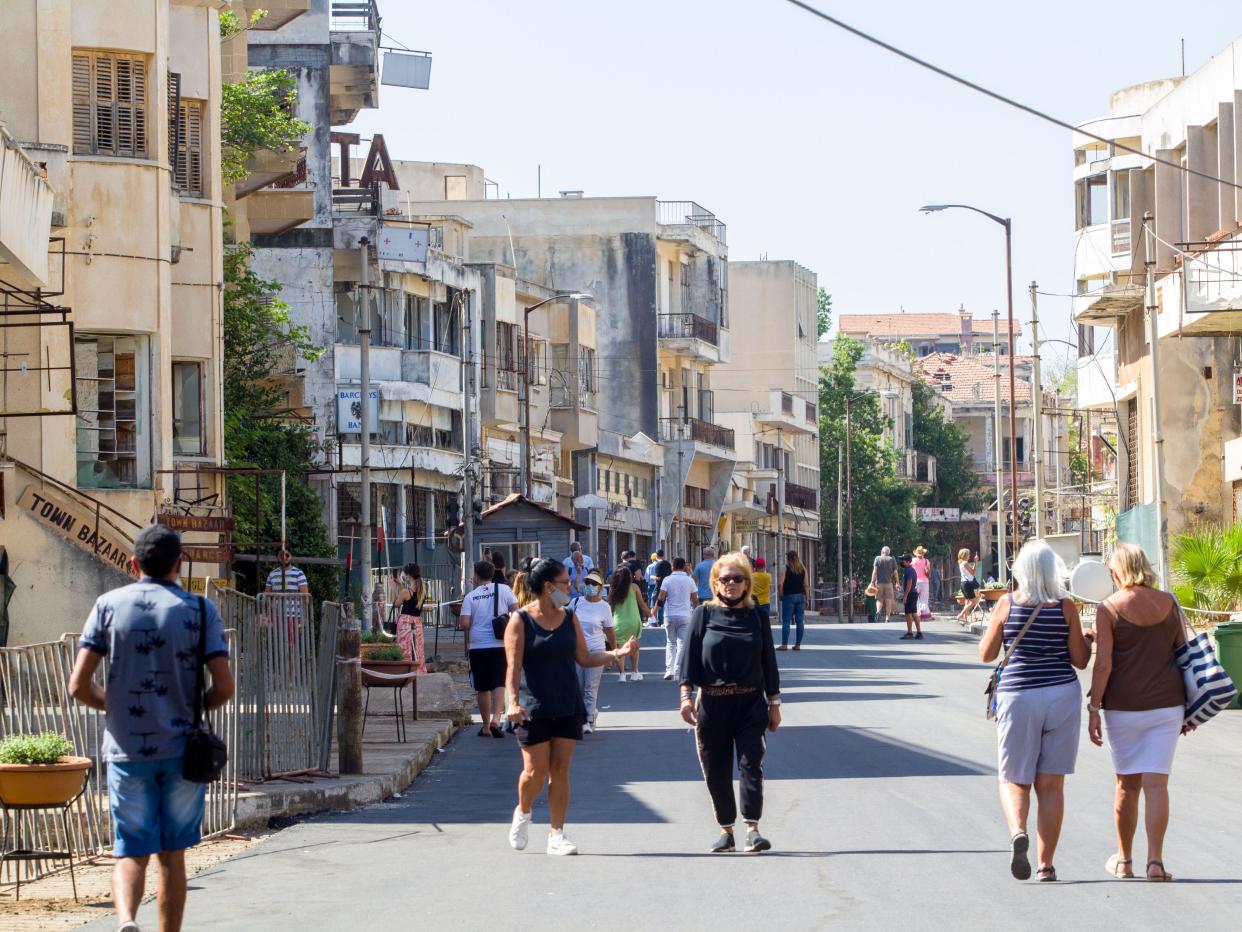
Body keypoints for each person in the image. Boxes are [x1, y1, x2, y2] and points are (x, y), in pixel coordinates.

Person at [68, 525, 235, 932]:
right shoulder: (199, 610)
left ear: (133, 563)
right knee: (172, 855)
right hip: (182, 751)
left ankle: (126, 919)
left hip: (127, 749)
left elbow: (77, 685)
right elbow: (225, 686)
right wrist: (194, 708)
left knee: (130, 850)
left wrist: (116, 706)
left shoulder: (108, 605)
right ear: (179, 564)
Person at [504, 558, 637, 855]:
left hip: (566, 702)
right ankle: (523, 813)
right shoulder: (520, 621)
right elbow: (512, 668)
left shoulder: (569, 617)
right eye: (566, 582)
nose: (571, 587)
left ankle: (557, 835)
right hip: (532, 706)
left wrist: (617, 652)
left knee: (560, 770)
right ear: (549, 587)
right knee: (534, 773)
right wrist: (511, 702)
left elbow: (586, 658)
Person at [978, 540, 1089, 883]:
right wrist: (1086, 637)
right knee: (1051, 786)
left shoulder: (1008, 604)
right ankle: (1046, 865)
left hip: (1019, 695)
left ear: (1021, 570)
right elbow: (1081, 661)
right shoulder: (1065, 607)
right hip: (1062, 695)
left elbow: (986, 654)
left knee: (1014, 778)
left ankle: (1017, 834)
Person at [1087, 543, 1192, 882]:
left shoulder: (1109, 608)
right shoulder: (1170, 603)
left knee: (1126, 785)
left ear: (1118, 572)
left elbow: (1103, 664)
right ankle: (1156, 862)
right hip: (1168, 705)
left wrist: (1093, 707)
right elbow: (1184, 654)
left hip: (1123, 708)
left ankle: (1124, 860)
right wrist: (1190, 708)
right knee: (1158, 785)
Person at [679, 552, 781, 854]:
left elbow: (769, 662)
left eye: (738, 579)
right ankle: (726, 830)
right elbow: (689, 659)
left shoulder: (757, 616)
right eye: (726, 579)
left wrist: (774, 703)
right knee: (716, 768)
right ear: (715, 582)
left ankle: (752, 829)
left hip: (751, 703)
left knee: (751, 765)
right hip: (712, 704)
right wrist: (685, 696)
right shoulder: (704, 614)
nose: (732, 584)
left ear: (747, 583)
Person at [459, 560, 519, 738]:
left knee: (483, 687)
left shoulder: (471, 596)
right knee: (499, 683)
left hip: (478, 646)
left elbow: (464, 623)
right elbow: (516, 612)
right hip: (500, 644)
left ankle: (485, 727)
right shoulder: (504, 590)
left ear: (476, 576)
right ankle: (496, 719)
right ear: (492, 575)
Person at [571, 568, 615, 734]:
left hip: (596, 650)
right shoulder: (576, 603)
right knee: (579, 687)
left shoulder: (605, 607)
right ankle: (588, 713)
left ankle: (587, 720)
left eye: (593, 583)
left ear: (600, 586)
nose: (589, 585)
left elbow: (609, 631)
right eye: (587, 582)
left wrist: (614, 652)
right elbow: (561, 613)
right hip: (577, 651)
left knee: (590, 687)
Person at [653, 556, 699, 680]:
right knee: (682, 643)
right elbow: (695, 600)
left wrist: (654, 612)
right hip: (685, 615)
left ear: (672, 567)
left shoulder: (667, 580)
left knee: (670, 642)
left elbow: (661, 598)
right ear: (684, 567)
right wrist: (699, 613)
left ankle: (669, 670)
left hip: (669, 615)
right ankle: (678, 671)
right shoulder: (690, 581)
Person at [608, 565, 650, 682]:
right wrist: (650, 614)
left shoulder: (613, 588)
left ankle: (622, 675)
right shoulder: (634, 587)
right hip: (633, 620)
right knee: (634, 646)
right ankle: (634, 672)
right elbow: (642, 604)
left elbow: (610, 607)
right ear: (629, 577)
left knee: (620, 648)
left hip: (618, 621)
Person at [394, 563, 428, 674]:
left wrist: (393, 588)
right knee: (417, 649)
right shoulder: (422, 591)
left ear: (408, 575)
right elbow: (408, 597)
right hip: (417, 623)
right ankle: (418, 671)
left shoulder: (405, 592)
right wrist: (400, 585)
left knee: (404, 648)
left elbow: (396, 604)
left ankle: (404, 672)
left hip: (405, 623)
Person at [777, 550, 807, 651]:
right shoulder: (803, 568)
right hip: (801, 596)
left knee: (786, 621)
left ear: (788, 558)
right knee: (800, 621)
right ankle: (798, 645)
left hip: (789, 597)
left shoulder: (785, 568)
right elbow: (806, 585)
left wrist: (780, 594)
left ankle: (784, 644)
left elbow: (780, 584)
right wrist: (808, 598)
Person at [870, 546, 898, 623]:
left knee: (879, 599)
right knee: (888, 600)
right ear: (888, 552)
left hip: (879, 583)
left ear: (881, 552)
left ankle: (878, 611)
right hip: (888, 583)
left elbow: (874, 571)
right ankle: (887, 618)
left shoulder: (877, 558)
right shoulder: (892, 559)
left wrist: (872, 582)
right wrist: (897, 583)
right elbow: (895, 572)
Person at [897, 554, 922, 640]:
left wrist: (905, 596)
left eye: (903, 561)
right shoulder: (909, 569)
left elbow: (909, 583)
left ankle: (910, 633)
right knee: (913, 613)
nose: (902, 562)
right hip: (913, 593)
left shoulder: (909, 570)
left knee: (908, 614)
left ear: (907, 561)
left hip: (911, 593)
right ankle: (918, 633)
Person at [646, 556, 673, 628]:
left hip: (656, 587)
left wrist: (652, 577)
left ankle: (652, 622)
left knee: (653, 605)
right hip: (668, 588)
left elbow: (657, 578)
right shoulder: (668, 564)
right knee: (661, 605)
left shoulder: (653, 566)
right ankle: (661, 621)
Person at [956, 549, 982, 622]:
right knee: (973, 602)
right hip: (967, 584)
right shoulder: (965, 563)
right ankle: (961, 615)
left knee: (967, 602)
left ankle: (965, 619)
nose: (969, 556)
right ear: (965, 555)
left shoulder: (961, 563)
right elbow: (973, 573)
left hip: (963, 583)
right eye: (968, 554)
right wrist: (975, 562)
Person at [751, 557, 773, 630]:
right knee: (765, 622)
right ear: (764, 566)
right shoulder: (768, 576)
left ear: (755, 566)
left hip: (755, 602)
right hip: (765, 602)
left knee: (756, 622)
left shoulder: (752, 576)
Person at [912, 546, 933, 620]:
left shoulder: (913, 561)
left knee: (916, 599)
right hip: (925, 582)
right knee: (924, 599)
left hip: (915, 582)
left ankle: (918, 613)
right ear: (923, 553)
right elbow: (928, 572)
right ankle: (924, 614)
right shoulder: (927, 561)